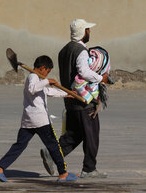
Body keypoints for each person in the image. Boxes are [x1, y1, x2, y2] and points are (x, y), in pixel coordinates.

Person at [0, 55, 78, 182]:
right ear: (42, 68)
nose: (47, 75)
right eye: (47, 72)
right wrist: (47, 81)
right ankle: (63, 173)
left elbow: (47, 92)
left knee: (19, 145)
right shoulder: (33, 77)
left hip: (28, 120)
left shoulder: (37, 79)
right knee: (54, 146)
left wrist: (66, 94)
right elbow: (32, 89)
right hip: (40, 120)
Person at [40, 19, 109, 178]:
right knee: (92, 135)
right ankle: (89, 169)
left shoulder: (63, 50)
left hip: (70, 101)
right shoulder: (81, 51)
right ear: (83, 33)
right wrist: (100, 78)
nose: (89, 32)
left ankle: (52, 153)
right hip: (83, 101)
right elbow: (84, 72)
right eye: (88, 30)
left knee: (75, 134)